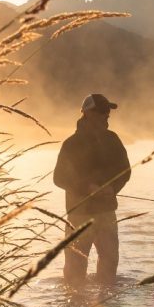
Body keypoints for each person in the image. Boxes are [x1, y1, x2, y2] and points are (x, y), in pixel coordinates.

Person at [53, 93, 131, 286]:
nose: (107, 115)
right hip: (79, 215)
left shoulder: (113, 140)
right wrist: (87, 188)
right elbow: (59, 178)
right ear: (87, 113)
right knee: (75, 270)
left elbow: (125, 171)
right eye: (102, 112)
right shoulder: (71, 144)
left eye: (108, 112)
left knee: (109, 265)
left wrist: (113, 188)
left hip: (106, 213)